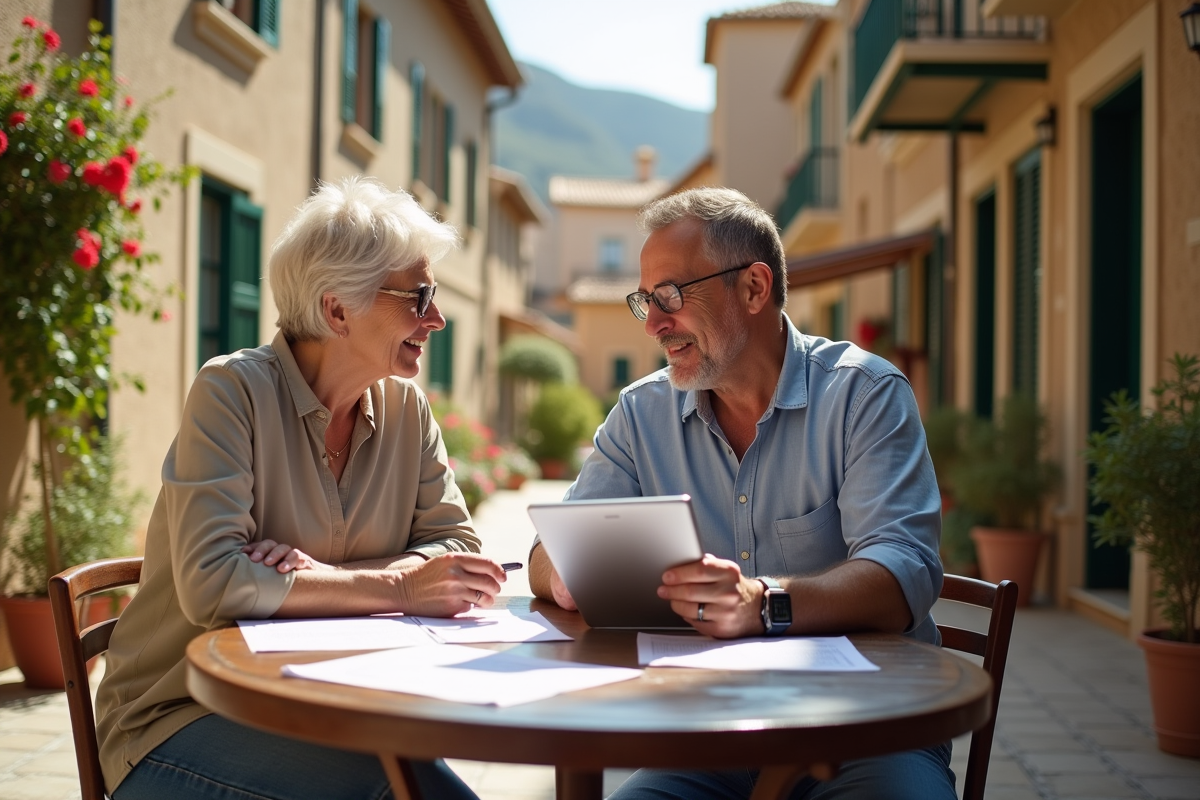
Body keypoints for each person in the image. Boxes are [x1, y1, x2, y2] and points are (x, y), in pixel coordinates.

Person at [528, 187, 952, 800]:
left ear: (753, 288)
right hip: (709, 739)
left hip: (866, 733)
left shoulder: (865, 395)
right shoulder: (640, 413)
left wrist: (761, 602)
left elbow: (904, 573)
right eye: (645, 301)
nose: (653, 323)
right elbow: (549, 549)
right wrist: (566, 571)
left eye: (671, 295)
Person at [96, 177, 506, 800]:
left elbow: (458, 554)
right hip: (179, 718)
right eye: (418, 296)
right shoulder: (231, 391)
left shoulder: (408, 411)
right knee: (398, 788)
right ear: (338, 308)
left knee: (417, 781)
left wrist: (320, 577)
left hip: (322, 708)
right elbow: (214, 585)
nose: (438, 318)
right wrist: (397, 584)